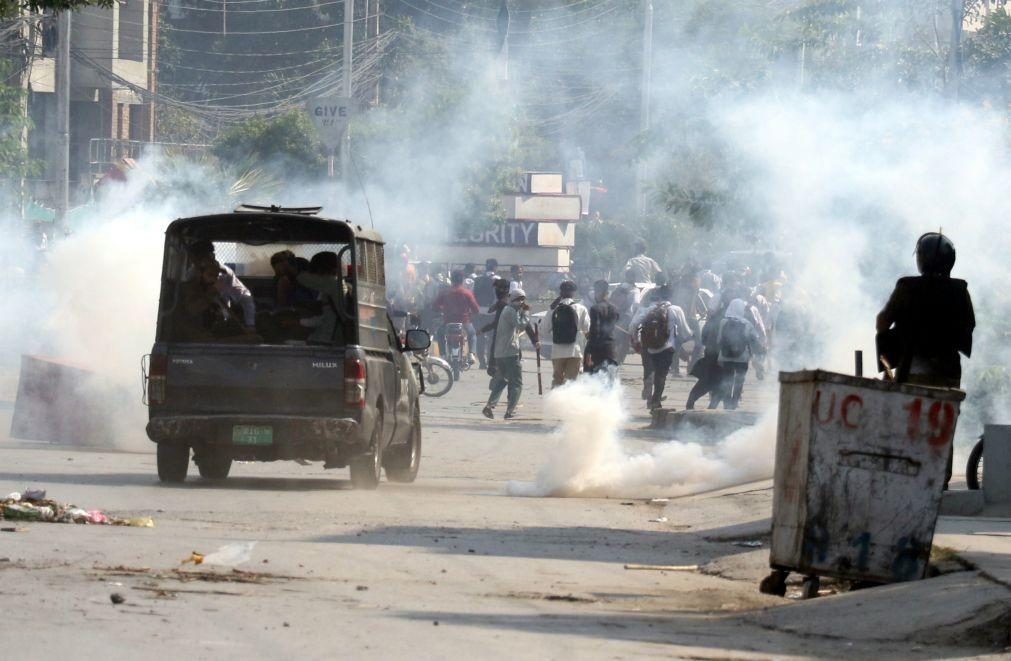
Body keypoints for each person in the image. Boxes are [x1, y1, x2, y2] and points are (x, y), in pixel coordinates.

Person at [876, 232, 975, 490]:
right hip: (948, 374)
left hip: (912, 373)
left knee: (908, 425)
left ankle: (908, 477)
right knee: (943, 425)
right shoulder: (960, 291)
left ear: (921, 259)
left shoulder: (906, 287)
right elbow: (968, 327)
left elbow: (882, 323)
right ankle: (939, 480)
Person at [631, 282, 690, 409]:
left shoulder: (647, 309)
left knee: (649, 369)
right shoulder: (675, 309)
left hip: (648, 346)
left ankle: (649, 392)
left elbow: (632, 326)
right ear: (671, 296)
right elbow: (685, 332)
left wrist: (636, 341)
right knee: (661, 375)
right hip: (667, 348)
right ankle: (655, 400)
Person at [483, 289, 532, 420]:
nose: (522, 303)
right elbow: (521, 325)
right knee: (516, 382)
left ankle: (490, 405)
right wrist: (526, 313)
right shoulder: (510, 311)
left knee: (503, 379)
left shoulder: (509, 310)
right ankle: (510, 410)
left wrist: (521, 311)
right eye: (520, 300)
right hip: (510, 352)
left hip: (500, 353)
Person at [188, 239, 256, 330]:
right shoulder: (190, 276)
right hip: (197, 327)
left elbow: (245, 297)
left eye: (210, 257)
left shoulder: (226, 274)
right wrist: (212, 292)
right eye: (201, 260)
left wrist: (250, 325)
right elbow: (192, 310)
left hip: (222, 323)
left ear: (213, 256)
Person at [714, 298, 764, 410]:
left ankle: (726, 404)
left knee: (727, 380)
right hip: (742, 358)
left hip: (725, 357)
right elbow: (754, 340)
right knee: (739, 382)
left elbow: (719, 340)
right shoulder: (747, 324)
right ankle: (734, 403)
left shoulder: (723, 322)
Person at [541, 280, 590, 388]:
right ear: (574, 292)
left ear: (561, 292)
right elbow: (587, 329)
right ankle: (568, 404)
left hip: (557, 351)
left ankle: (555, 402)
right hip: (575, 351)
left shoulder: (554, 308)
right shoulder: (581, 309)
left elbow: (543, 329)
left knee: (557, 380)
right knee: (571, 382)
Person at [296, 251, 350, 345]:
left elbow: (301, 278)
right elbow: (327, 316)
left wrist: (297, 322)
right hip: (332, 337)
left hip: (327, 340)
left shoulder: (332, 283)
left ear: (320, 269)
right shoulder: (338, 284)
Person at [434, 270, 480, 361]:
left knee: (439, 333)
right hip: (464, 322)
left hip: (448, 322)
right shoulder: (467, 293)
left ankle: (443, 354)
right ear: (462, 280)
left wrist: (441, 309)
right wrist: (472, 313)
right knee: (473, 334)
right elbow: (476, 309)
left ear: (451, 280)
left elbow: (435, 306)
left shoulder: (445, 292)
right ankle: (471, 353)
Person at [586, 279, 620, 378]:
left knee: (597, 381)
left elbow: (595, 331)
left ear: (598, 292)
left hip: (598, 351)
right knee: (610, 380)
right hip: (611, 348)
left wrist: (589, 352)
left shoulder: (595, 309)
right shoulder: (614, 309)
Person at [472, 259, 501, 369]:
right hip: (492, 313)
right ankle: (490, 361)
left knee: (480, 337)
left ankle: (482, 362)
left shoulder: (477, 279)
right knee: (492, 337)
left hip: (479, 312)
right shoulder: (497, 279)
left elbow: (473, 295)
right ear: (495, 267)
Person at [610, 269, 641, 365]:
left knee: (615, 339)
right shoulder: (635, 290)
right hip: (628, 317)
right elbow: (637, 304)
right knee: (625, 342)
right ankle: (619, 362)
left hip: (616, 317)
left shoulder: (618, 287)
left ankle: (611, 358)